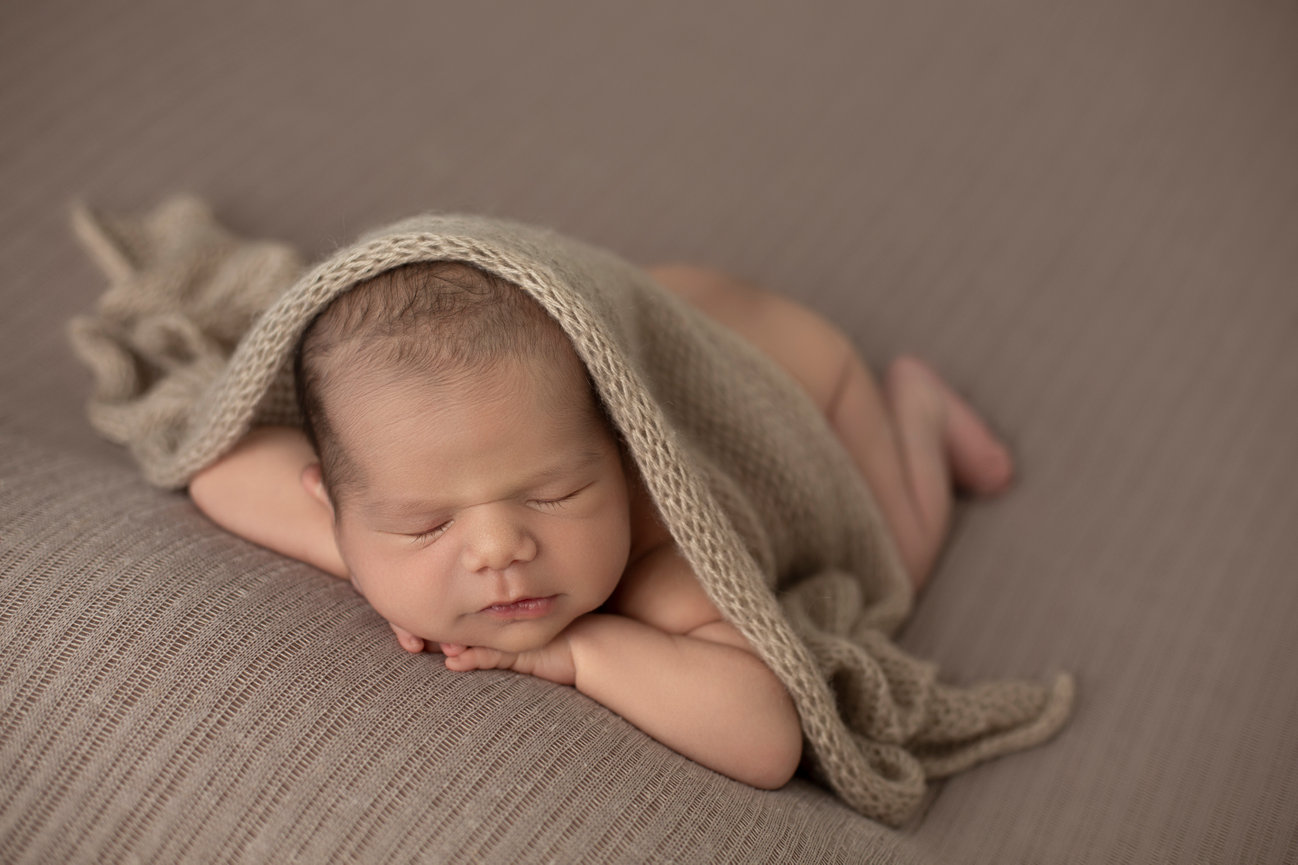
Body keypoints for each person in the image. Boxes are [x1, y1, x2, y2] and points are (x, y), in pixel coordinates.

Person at [188, 260, 1014, 791]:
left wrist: (578, 650)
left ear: (626, 463)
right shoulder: (381, 497)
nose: (497, 549)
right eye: (427, 524)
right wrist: (375, 565)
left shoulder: (659, 554)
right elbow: (218, 464)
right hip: (669, 296)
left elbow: (766, 737)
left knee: (890, 557)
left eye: (550, 495)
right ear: (334, 512)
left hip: (804, 375)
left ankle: (919, 410)